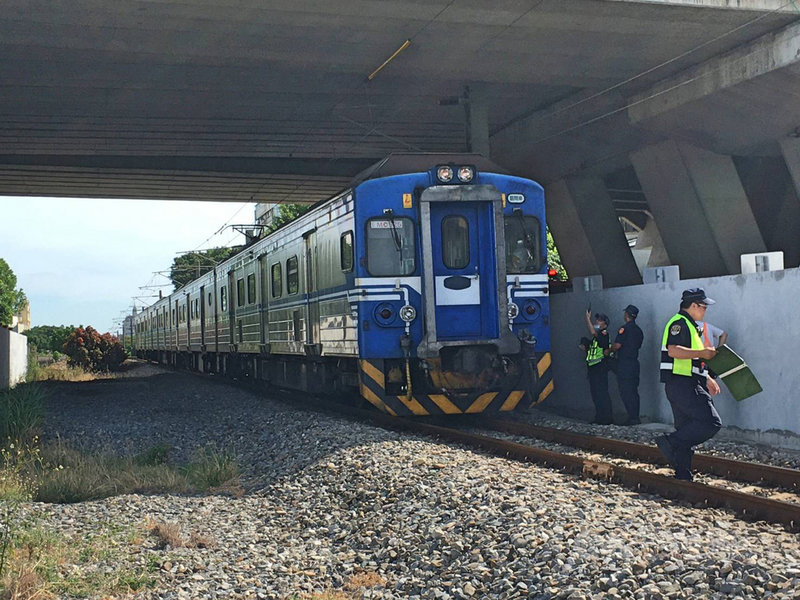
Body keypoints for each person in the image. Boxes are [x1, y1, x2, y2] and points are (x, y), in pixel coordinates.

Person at [655, 288, 722, 481]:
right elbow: (674, 351)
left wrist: (707, 377)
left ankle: (683, 474)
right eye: (703, 306)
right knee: (710, 422)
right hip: (682, 384)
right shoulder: (679, 323)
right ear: (693, 305)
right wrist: (702, 353)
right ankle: (670, 442)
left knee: (687, 427)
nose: (705, 310)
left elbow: (691, 361)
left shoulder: (691, 326)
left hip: (682, 383)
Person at [611, 304, 643, 425]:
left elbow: (617, 345)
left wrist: (609, 350)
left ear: (626, 315)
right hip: (634, 363)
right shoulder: (639, 331)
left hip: (624, 364)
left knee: (626, 391)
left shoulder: (624, 329)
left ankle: (632, 418)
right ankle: (635, 416)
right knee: (633, 391)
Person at [579, 310, 612, 424]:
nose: (597, 321)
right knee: (596, 394)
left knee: (602, 393)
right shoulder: (596, 338)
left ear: (605, 324)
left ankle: (606, 418)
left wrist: (587, 319)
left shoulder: (604, 334)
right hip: (593, 369)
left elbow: (594, 333)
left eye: (600, 320)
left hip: (600, 368)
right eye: (596, 319)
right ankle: (600, 417)